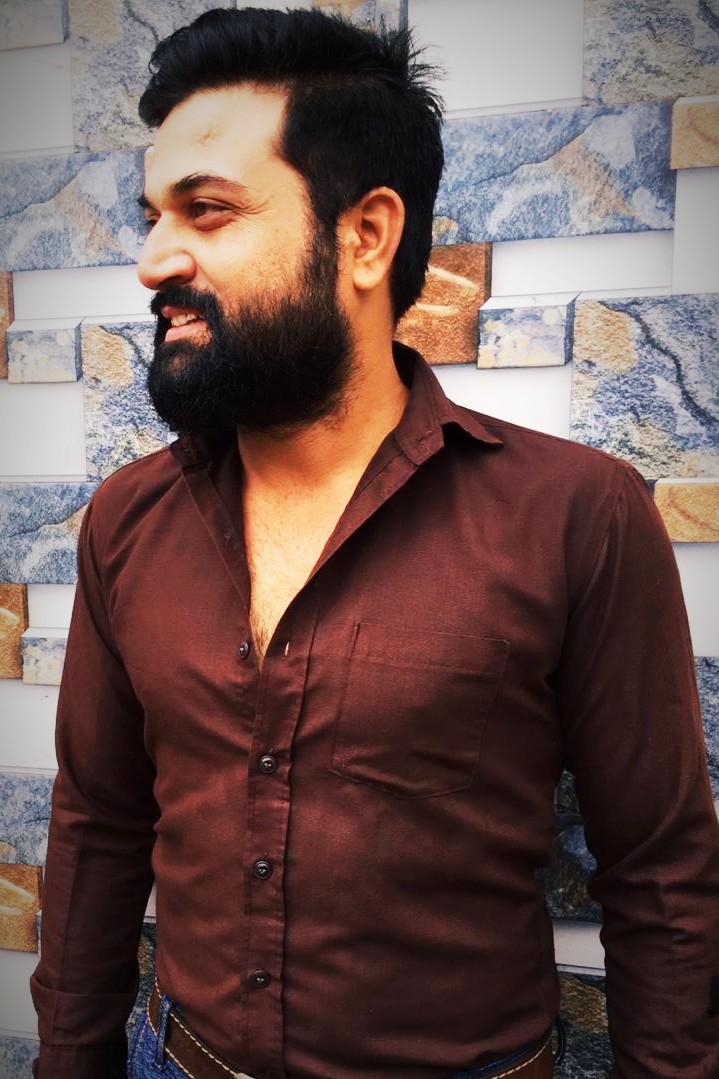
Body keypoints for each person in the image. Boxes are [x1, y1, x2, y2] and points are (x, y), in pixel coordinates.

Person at [31, 7, 719, 1079]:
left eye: (206, 210)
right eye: (152, 216)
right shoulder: (129, 517)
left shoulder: (576, 512)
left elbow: (660, 871)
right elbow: (98, 825)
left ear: (364, 235)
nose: (154, 259)